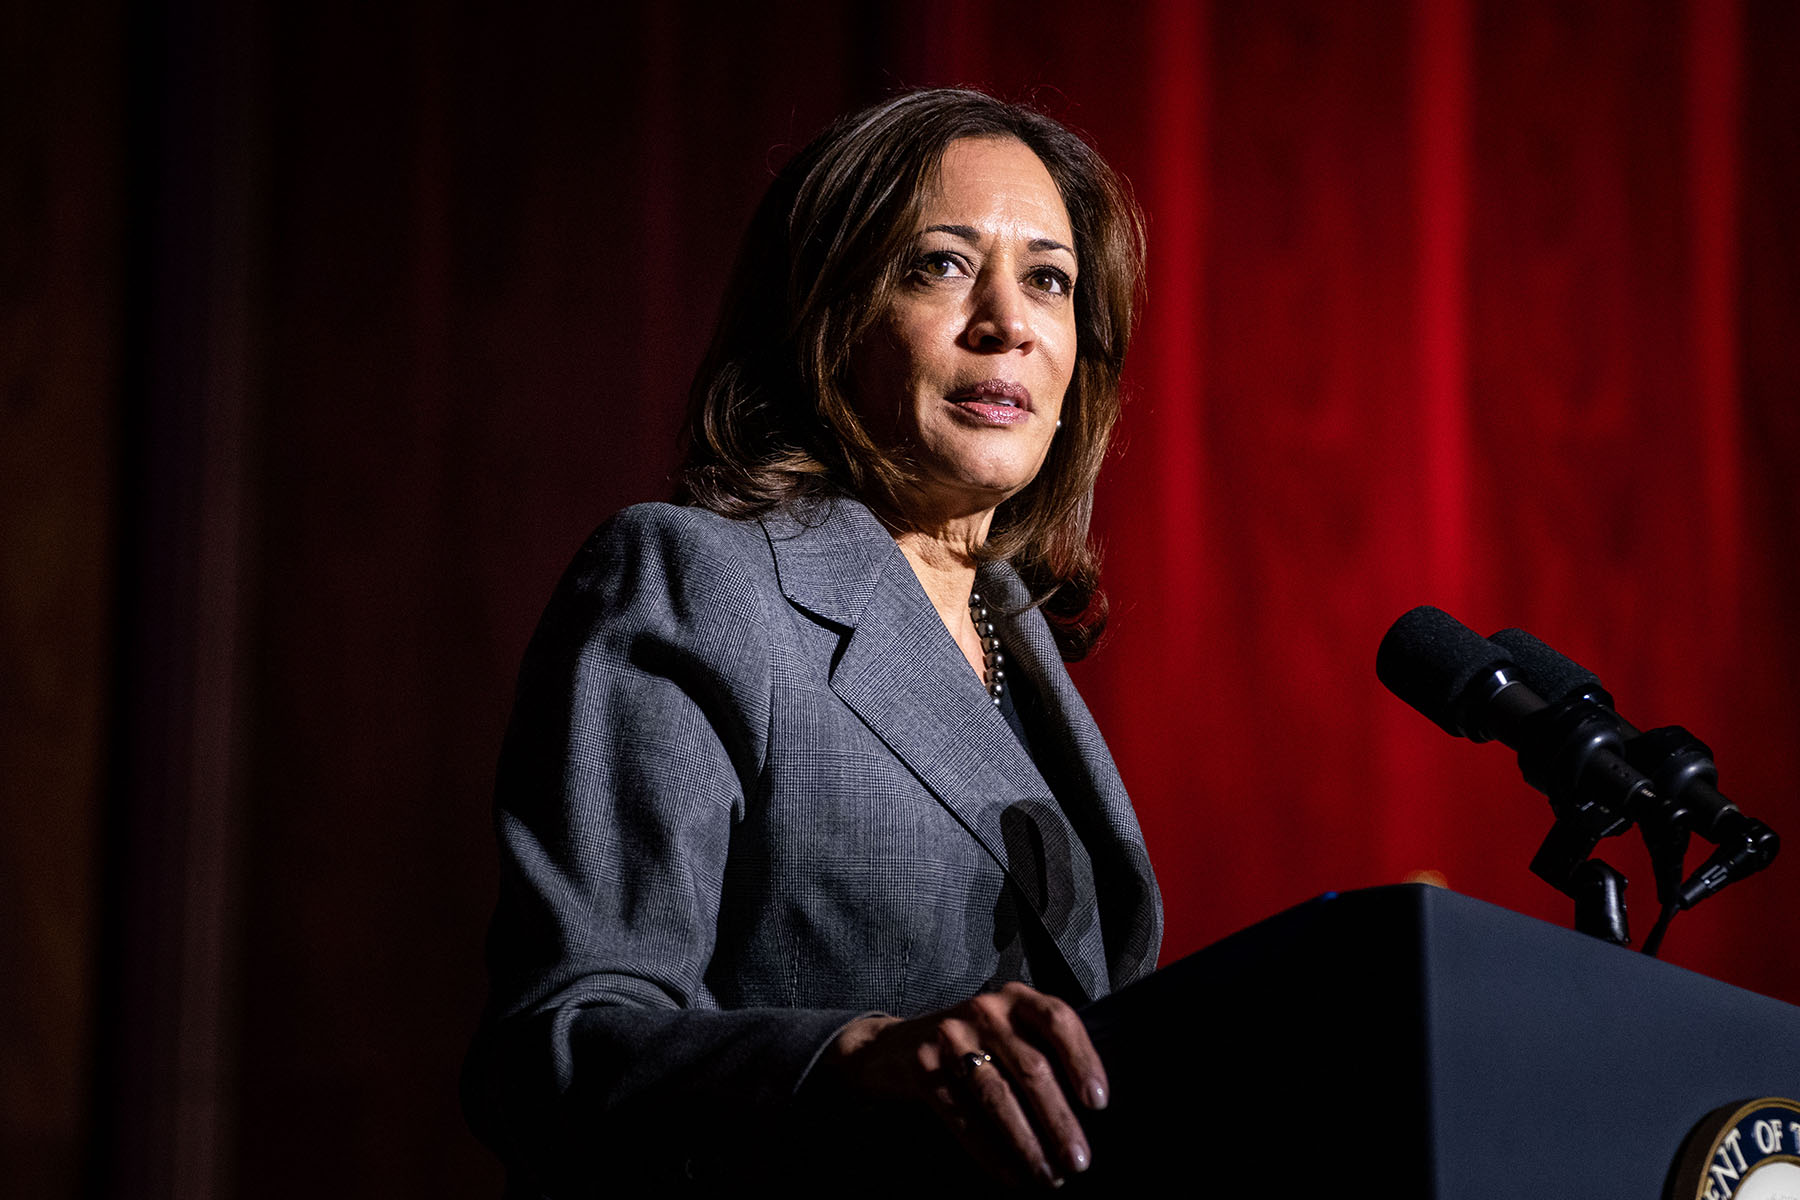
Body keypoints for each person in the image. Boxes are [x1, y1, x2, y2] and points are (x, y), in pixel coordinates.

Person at [463, 88, 1163, 1196]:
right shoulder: (698, 582)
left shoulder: (1016, 633)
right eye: (941, 265)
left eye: (1049, 279)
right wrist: (847, 1058)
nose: (1009, 321)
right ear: (827, 312)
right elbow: (554, 1047)